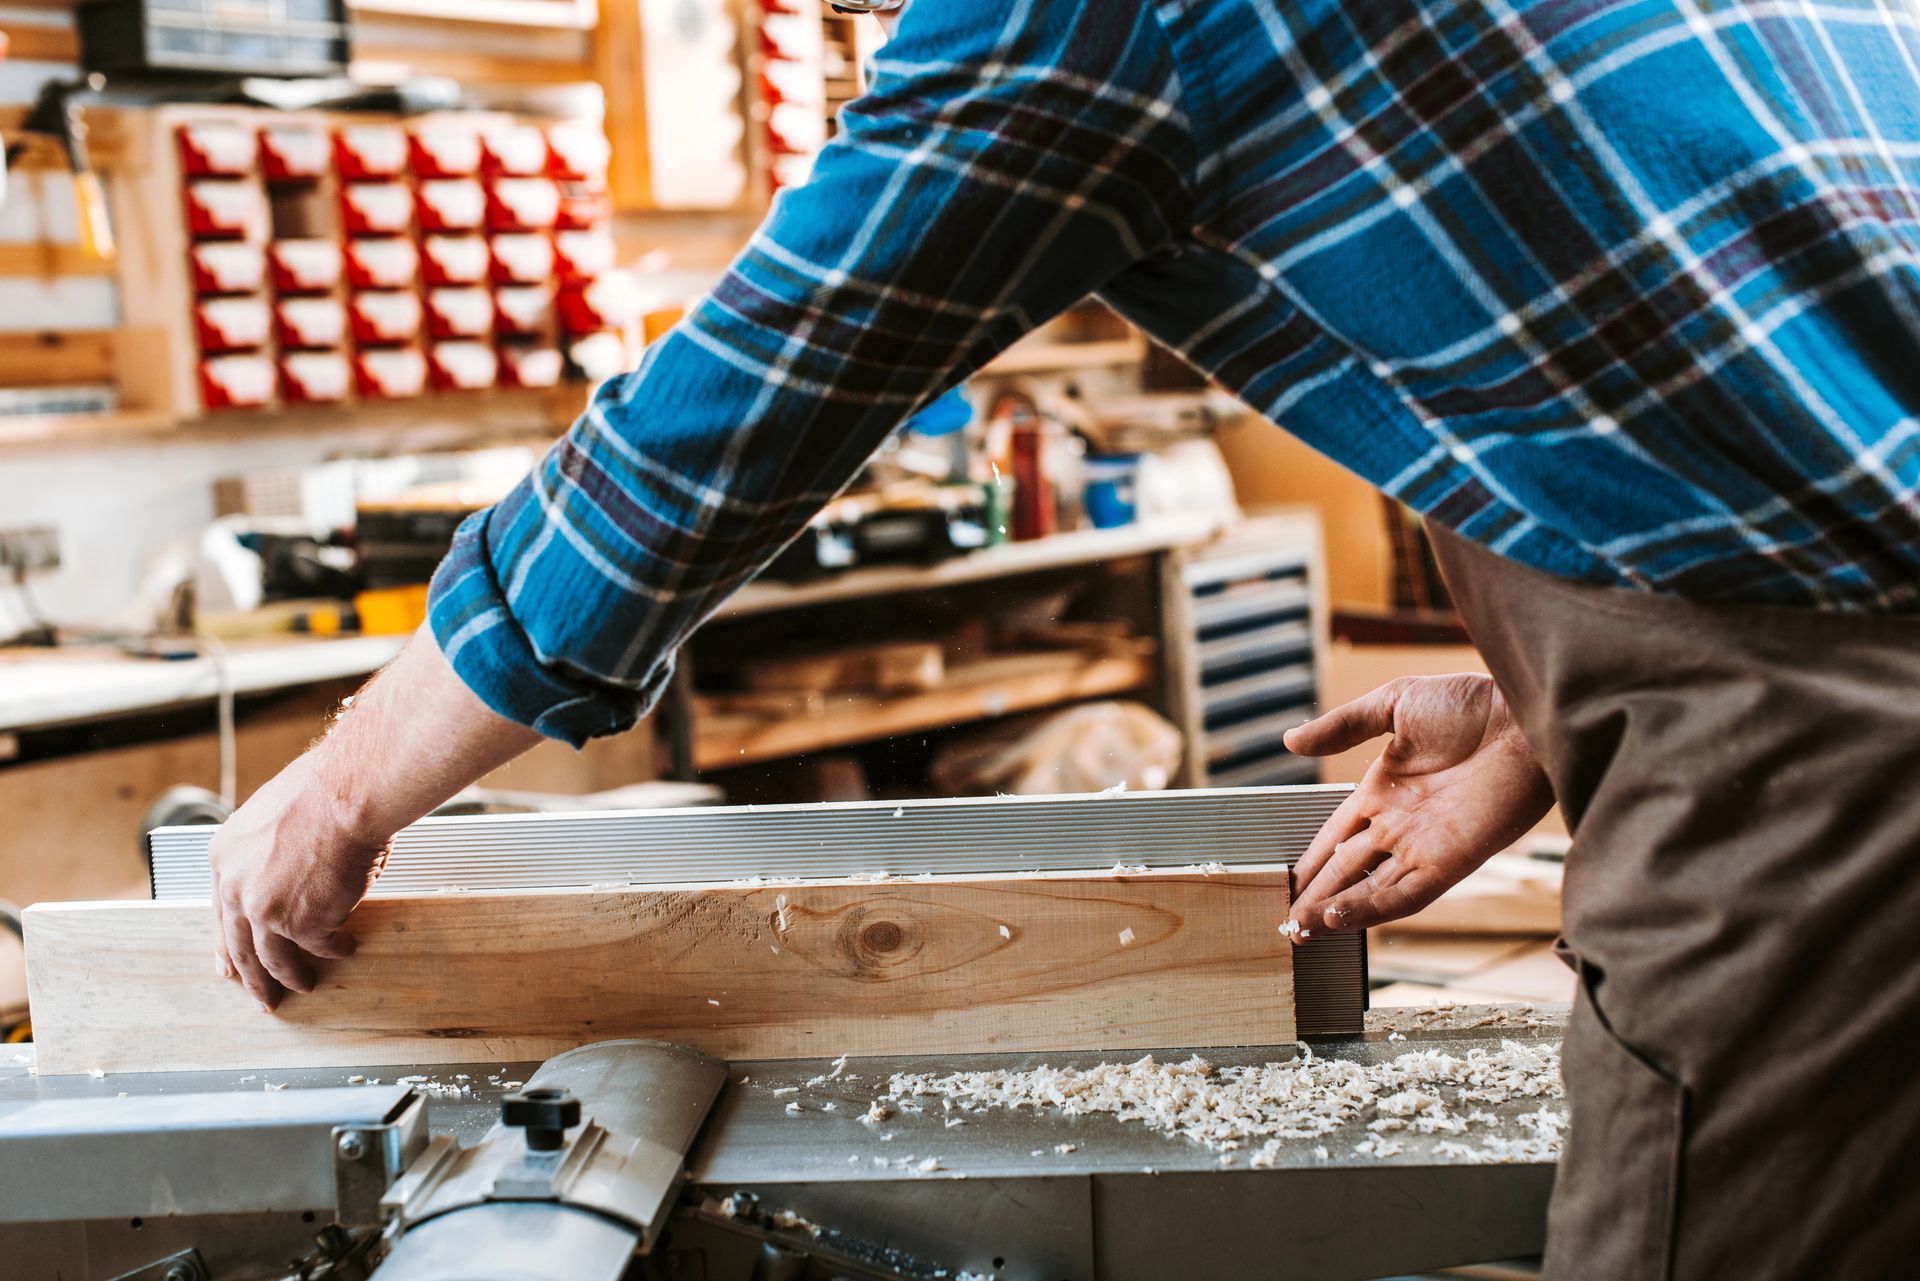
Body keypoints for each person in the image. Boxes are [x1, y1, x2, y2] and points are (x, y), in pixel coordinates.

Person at [208, 2, 1920, 1275]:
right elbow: (1770, 385)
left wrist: (345, 788)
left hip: (1831, 793)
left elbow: (725, 425)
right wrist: (1546, 702)